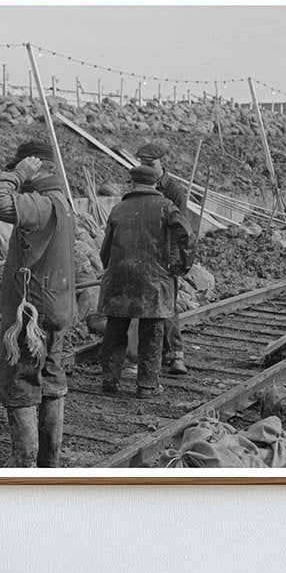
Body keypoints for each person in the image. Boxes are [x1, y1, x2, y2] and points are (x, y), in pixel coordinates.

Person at [0, 139, 76, 468]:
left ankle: (25, 463)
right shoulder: (63, 202)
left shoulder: (41, 204)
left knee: (19, 381)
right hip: (57, 308)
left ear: (38, 166)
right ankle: (50, 464)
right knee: (51, 378)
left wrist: (18, 173)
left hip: (30, 316)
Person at [98, 164, 192, 398]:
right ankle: (147, 386)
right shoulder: (166, 207)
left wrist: (111, 269)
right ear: (155, 184)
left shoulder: (118, 208)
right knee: (152, 332)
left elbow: (105, 249)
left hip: (120, 279)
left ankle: (110, 380)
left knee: (115, 329)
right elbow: (187, 235)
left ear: (132, 183)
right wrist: (182, 265)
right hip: (154, 280)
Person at [135, 141, 191, 375]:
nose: (147, 168)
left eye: (151, 164)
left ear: (161, 164)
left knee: (167, 305)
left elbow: (182, 229)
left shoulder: (174, 190)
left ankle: (175, 354)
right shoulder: (137, 186)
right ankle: (146, 355)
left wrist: (177, 261)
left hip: (164, 256)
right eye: (143, 164)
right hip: (142, 254)